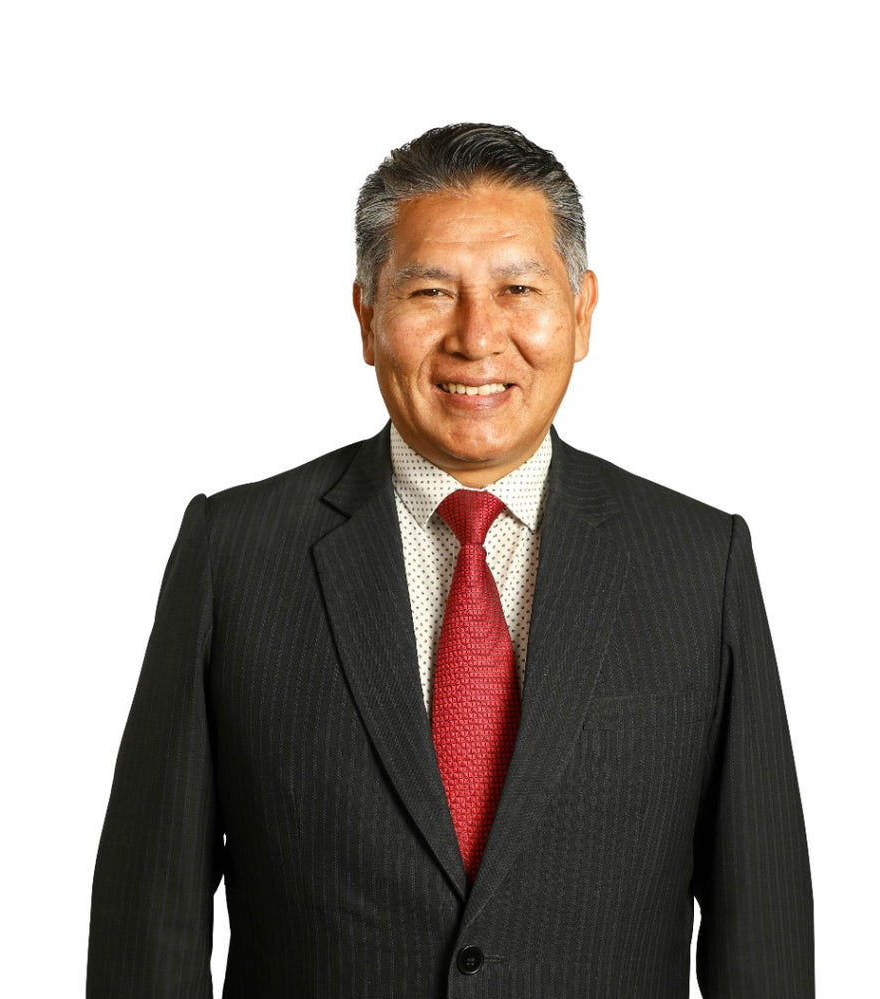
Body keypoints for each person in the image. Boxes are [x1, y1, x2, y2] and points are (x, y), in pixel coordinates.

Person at [87, 123, 813, 998]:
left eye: (518, 289)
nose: (477, 336)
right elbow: (147, 933)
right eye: (431, 291)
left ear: (582, 311)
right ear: (367, 316)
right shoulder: (235, 554)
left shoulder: (698, 562)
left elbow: (763, 942)